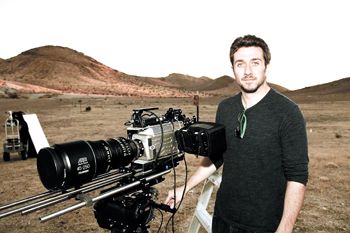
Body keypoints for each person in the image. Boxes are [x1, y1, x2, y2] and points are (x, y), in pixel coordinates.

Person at [165, 35, 309, 233]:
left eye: (255, 62)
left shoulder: (288, 112)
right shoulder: (226, 108)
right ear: (233, 69)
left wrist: (285, 228)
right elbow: (216, 157)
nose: (248, 71)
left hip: (263, 224)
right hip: (223, 217)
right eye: (240, 64)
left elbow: (297, 176)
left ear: (266, 65)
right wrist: (184, 188)